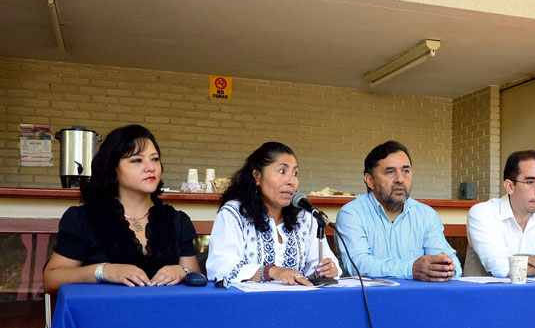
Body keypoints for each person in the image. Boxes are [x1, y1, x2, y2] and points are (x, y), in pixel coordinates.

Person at [43, 125, 201, 293]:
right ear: (113, 169)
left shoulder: (176, 220)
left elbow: (195, 275)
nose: (150, 167)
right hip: (105, 309)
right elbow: (51, 279)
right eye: (137, 160)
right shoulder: (84, 218)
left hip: (167, 309)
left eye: (155, 159)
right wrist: (103, 271)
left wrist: (182, 271)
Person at [206, 142, 339, 286]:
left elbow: (318, 262)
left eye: (295, 174)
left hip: (299, 298)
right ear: (257, 176)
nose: (291, 181)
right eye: (282, 171)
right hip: (247, 299)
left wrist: (325, 269)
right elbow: (220, 266)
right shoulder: (234, 214)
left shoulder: (304, 217)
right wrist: (271, 271)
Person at [335, 140, 461, 281]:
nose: (400, 179)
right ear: (370, 180)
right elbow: (357, 264)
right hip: (370, 294)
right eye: (390, 172)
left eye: (405, 171)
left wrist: (447, 267)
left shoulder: (426, 215)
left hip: (419, 293)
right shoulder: (351, 214)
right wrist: (411, 269)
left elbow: (452, 262)